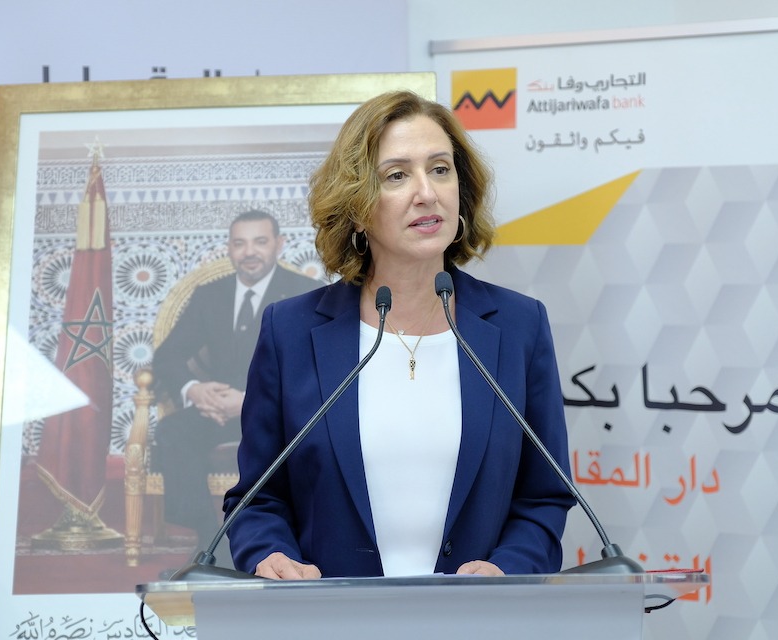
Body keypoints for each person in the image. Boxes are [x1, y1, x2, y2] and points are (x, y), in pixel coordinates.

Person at [223, 91, 575, 579]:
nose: (426, 193)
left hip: (478, 618)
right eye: (396, 176)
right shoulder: (291, 332)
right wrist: (271, 556)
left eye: (440, 169)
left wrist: (507, 569)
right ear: (357, 207)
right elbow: (257, 500)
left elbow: (544, 495)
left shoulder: (518, 326)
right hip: (329, 618)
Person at [151, 209, 321, 550]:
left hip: (279, 415)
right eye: (240, 243)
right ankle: (209, 541)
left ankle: (281, 540)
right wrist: (196, 391)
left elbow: (315, 366)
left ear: (279, 244)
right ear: (229, 248)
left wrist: (249, 401)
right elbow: (167, 357)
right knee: (173, 431)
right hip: (218, 411)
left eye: (260, 241)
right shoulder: (209, 295)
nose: (249, 252)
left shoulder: (306, 292)